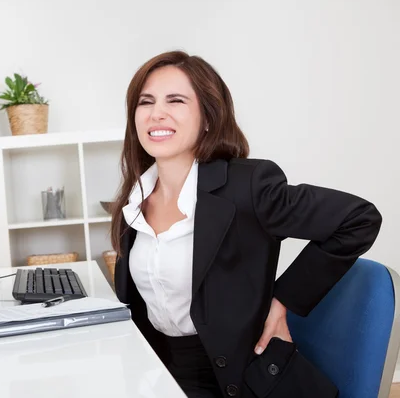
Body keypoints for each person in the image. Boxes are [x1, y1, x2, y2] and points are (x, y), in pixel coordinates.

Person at [110, 50, 382, 398]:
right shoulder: (133, 201)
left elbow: (358, 218)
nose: (156, 113)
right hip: (161, 370)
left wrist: (283, 299)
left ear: (208, 116)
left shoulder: (248, 187)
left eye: (175, 100)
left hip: (241, 381)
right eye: (145, 102)